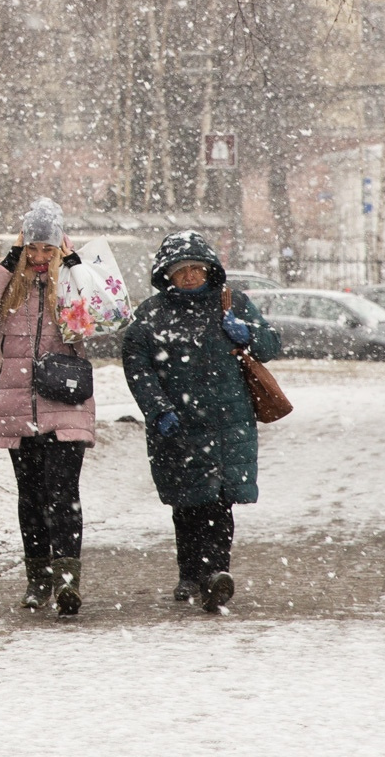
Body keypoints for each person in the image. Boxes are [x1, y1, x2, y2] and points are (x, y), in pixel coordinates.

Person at [120, 230, 280, 613]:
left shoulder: (232, 303)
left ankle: (216, 575)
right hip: (179, 424)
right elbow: (137, 365)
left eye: (196, 268)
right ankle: (190, 573)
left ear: (210, 269)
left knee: (220, 503)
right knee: (188, 504)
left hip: (228, 423)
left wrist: (249, 334)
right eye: (181, 271)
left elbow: (271, 345)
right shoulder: (152, 314)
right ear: (166, 275)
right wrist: (158, 408)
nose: (190, 276)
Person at [0, 197, 96, 617]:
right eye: (33, 248)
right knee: (31, 498)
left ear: (59, 248)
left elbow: (107, 316)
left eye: (47, 249)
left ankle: (67, 581)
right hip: (18, 407)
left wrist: (75, 266)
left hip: (66, 404)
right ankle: (38, 580)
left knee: (63, 495)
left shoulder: (75, 279)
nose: (40, 258)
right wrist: (6, 265)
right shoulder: (11, 282)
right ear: (23, 246)